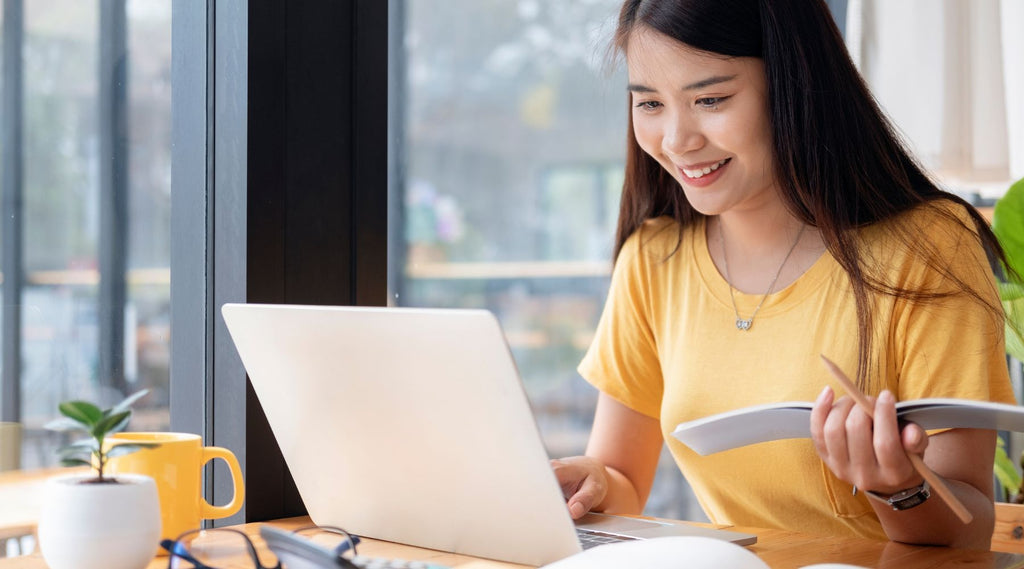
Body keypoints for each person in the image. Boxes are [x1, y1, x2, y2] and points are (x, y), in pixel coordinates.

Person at [552, 0, 1017, 549]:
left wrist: (899, 487)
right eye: (649, 103)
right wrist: (595, 484)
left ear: (793, 84)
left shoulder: (928, 245)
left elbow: (969, 530)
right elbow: (623, 479)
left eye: (711, 99)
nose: (676, 139)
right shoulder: (655, 257)